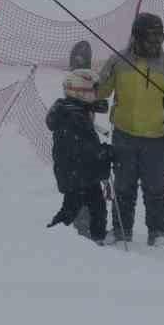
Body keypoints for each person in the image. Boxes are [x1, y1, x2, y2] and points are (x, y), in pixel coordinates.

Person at [96, 13, 164, 246]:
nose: (156, 44)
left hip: (157, 137)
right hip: (124, 135)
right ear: (136, 37)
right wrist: (92, 88)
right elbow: (101, 90)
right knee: (124, 186)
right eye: (151, 39)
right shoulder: (118, 62)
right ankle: (121, 231)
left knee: (155, 188)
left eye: (160, 38)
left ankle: (157, 233)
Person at [46, 70, 114, 244]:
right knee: (72, 208)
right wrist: (103, 153)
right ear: (80, 91)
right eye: (93, 90)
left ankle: (98, 237)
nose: (96, 94)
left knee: (96, 206)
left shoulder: (79, 110)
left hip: (83, 172)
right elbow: (82, 148)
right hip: (74, 172)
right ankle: (51, 235)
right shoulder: (71, 116)